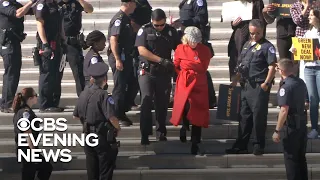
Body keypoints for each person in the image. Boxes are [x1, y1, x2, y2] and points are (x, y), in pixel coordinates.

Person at [225, 19, 277, 155]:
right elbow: (241, 65)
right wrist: (235, 81)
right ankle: (241, 145)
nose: (254, 36)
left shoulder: (267, 46)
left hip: (259, 85)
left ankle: (258, 144)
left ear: (262, 31)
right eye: (251, 33)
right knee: (244, 116)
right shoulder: (247, 44)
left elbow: (272, 66)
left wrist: (266, 83)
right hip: (245, 85)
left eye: (257, 33)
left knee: (258, 116)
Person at [135, 9, 180, 145]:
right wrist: (160, 60)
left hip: (164, 73)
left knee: (162, 103)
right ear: (151, 22)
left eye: (162, 25)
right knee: (147, 100)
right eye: (157, 25)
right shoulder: (145, 30)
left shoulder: (171, 31)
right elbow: (142, 50)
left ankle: (161, 132)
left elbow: (178, 48)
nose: (160, 28)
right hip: (147, 72)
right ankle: (145, 133)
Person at [73, 62, 120, 180]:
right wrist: (118, 128)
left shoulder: (83, 93)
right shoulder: (104, 95)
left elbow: (76, 116)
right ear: (105, 79)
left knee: (92, 171)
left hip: (87, 136)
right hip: (101, 136)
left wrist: (87, 123)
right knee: (105, 170)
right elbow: (112, 117)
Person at [170, 26, 212, 155]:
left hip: (199, 82)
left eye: (196, 41)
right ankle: (184, 125)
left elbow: (204, 67)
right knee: (185, 106)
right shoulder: (180, 49)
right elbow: (176, 65)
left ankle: (196, 141)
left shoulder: (205, 50)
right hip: (185, 80)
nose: (194, 43)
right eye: (192, 40)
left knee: (198, 111)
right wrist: (183, 73)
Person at [171, 0, 216, 108]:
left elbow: (201, 18)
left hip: (195, 40)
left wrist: (185, 22)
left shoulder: (198, 2)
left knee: (200, 69)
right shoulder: (186, 2)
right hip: (186, 38)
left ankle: (210, 99)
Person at [272, 58, 308, 180]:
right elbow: (306, 102)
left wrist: (277, 130)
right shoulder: (301, 82)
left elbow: (284, 110)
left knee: (291, 159)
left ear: (281, 71)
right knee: (301, 158)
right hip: (301, 124)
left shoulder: (286, 87)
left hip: (291, 126)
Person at [0, 0, 35, 113]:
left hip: (13, 41)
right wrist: (31, 1)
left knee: (12, 73)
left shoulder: (13, 3)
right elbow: (17, 13)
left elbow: (29, 10)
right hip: (8, 42)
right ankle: (7, 104)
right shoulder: (4, 3)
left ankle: (5, 102)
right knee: (11, 73)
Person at [291, 6, 320, 139]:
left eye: (311, 15)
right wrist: (296, 50)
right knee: (313, 100)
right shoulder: (308, 31)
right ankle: (314, 128)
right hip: (309, 69)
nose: (309, 17)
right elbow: (297, 46)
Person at [12, 88, 53, 180]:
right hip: (27, 149)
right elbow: (27, 132)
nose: (37, 98)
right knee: (35, 171)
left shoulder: (22, 111)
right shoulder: (25, 113)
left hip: (25, 149)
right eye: (35, 95)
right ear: (30, 98)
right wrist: (33, 150)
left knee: (42, 169)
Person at [107, 0, 136, 126]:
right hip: (120, 57)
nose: (135, 6)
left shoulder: (126, 18)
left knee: (131, 83)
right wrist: (117, 58)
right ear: (129, 3)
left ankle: (123, 108)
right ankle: (116, 114)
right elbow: (113, 39)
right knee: (120, 86)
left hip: (126, 56)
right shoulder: (119, 19)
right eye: (134, 3)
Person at [33, 0, 65, 112]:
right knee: (46, 74)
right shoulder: (42, 4)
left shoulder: (55, 4)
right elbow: (39, 23)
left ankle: (53, 103)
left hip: (57, 43)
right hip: (47, 43)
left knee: (55, 74)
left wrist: (63, 41)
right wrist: (45, 44)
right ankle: (45, 104)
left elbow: (59, 25)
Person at [57, 0, 93, 96]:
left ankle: (82, 97)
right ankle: (53, 101)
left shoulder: (76, 3)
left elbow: (90, 9)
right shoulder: (55, 3)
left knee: (79, 73)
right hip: (58, 43)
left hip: (73, 43)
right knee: (56, 74)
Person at [228, 0, 266, 79]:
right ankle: (236, 83)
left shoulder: (257, 2)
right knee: (236, 60)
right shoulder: (237, 3)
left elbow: (261, 21)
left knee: (251, 60)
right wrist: (233, 23)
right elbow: (232, 20)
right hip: (239, 36)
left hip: (252, 36)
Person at [126, 0, 153, 111]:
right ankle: (129, 101)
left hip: (143, 40)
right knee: (135, 75)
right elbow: (132, 21)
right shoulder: (134, 3)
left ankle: (145, 100)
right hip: (136, 42)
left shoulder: (143, 2)